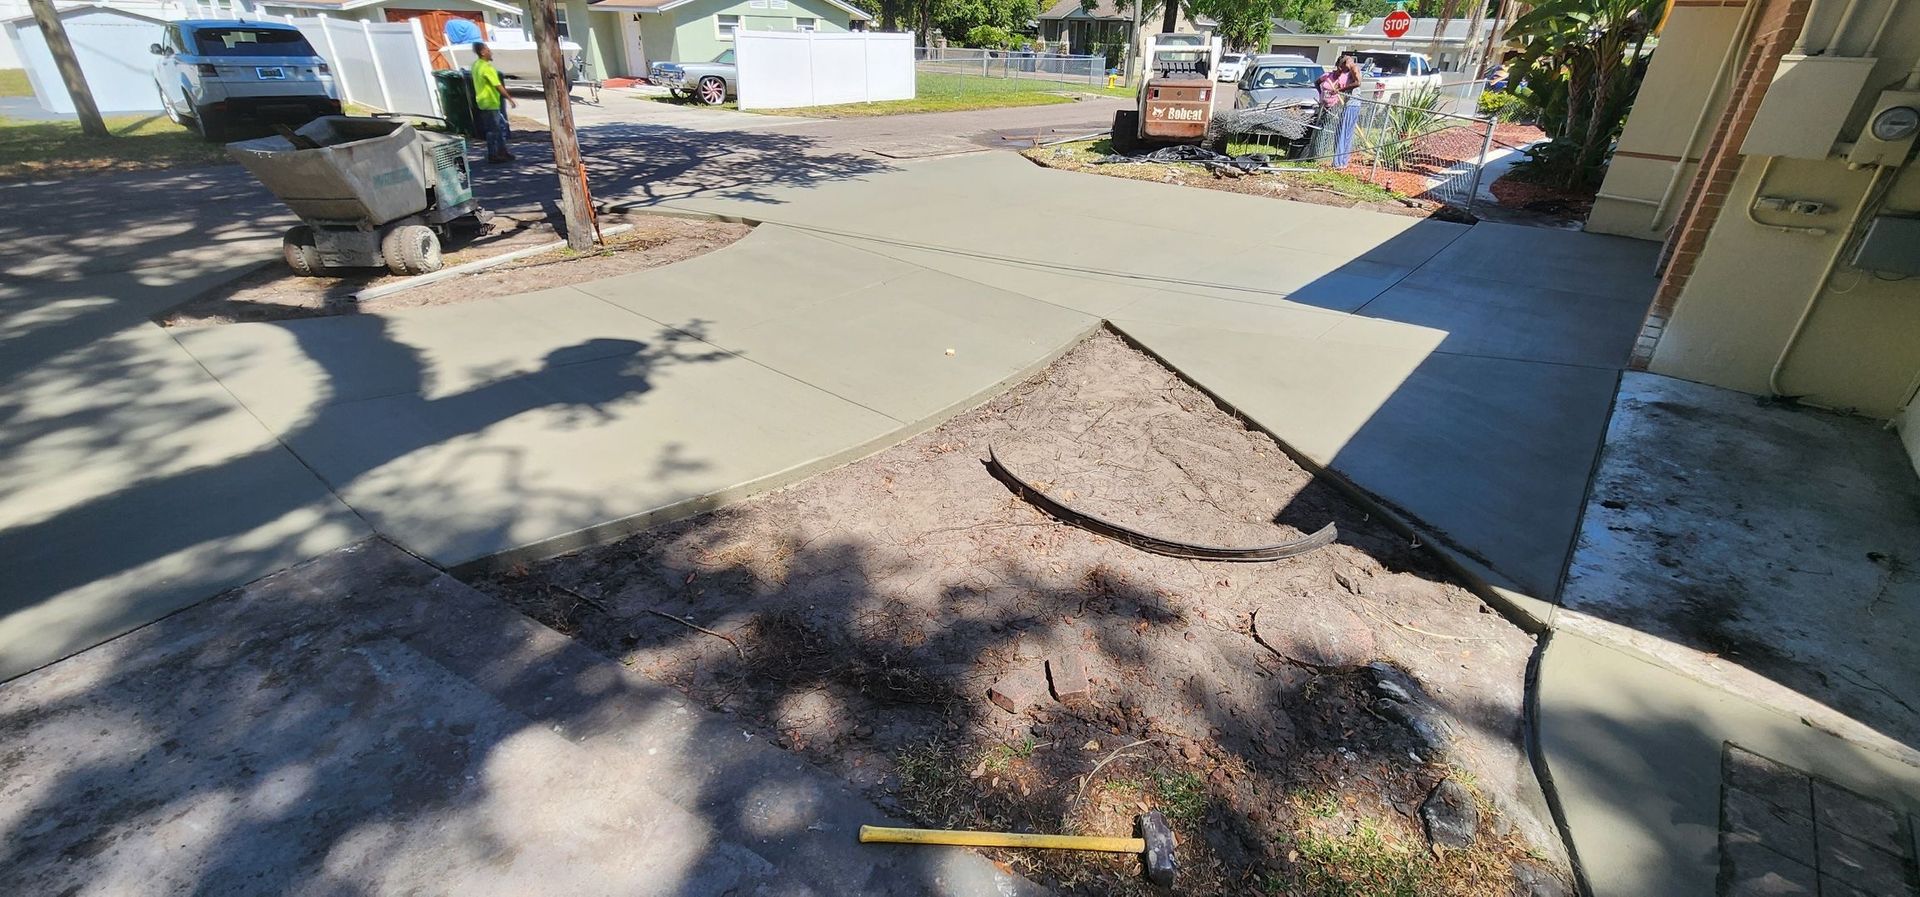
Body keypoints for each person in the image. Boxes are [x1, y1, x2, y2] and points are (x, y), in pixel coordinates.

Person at [470, 40, 516, 163]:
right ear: (483, 52)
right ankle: (493, 154)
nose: (491, 53)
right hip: (490, 102)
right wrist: (509, 99)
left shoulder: (476, 65)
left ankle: (502, 151)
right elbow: (497, 85)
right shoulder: (487, 67)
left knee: (500, 127)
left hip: (482, 101)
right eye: (488, 50)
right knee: (493, 130)